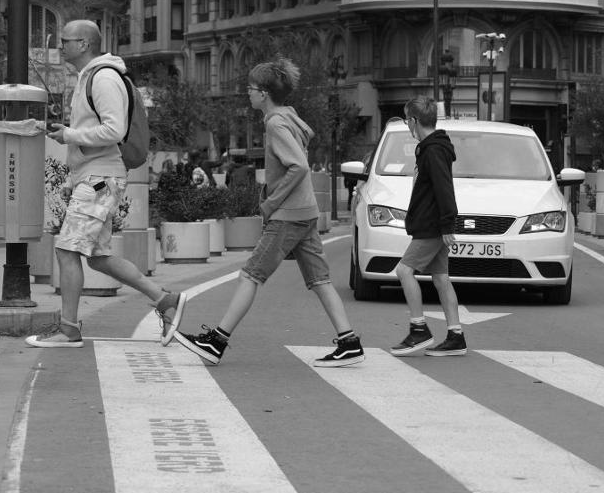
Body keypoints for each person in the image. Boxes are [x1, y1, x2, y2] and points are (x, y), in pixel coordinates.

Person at [172, 58, 363, 367]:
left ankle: (216, 342)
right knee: (320, 280)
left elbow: (298, 166)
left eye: (250, 88)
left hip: (288, 215)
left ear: (263, 93)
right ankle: (349, 342)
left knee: (250, 275)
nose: (247, 93)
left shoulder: (276, 124)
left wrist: (271, 201)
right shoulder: (288, 118)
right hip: (306, 212)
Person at [26, 19, 186, 348]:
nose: (61, 46)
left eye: (66, 40)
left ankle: (69, 330)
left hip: (100, 179)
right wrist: (73, 171)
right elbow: (97, 133)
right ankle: (165, 300)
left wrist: (70, 135)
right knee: (97, 256)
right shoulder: (91, 77)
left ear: (84, 44)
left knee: (67, 249)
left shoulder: (103, 78)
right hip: (96, 177)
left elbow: (114, 131)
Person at [388, 96, 468, 357]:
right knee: (441, 278)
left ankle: (418, 329)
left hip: (431, 225)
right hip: (435, 223)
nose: (407, 126)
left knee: (404, 271)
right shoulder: (433, 147)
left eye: (406, 121)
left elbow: (444, 188)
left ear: (414, 121)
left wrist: (447, 225)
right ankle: (455, 336)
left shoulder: (433, 150)